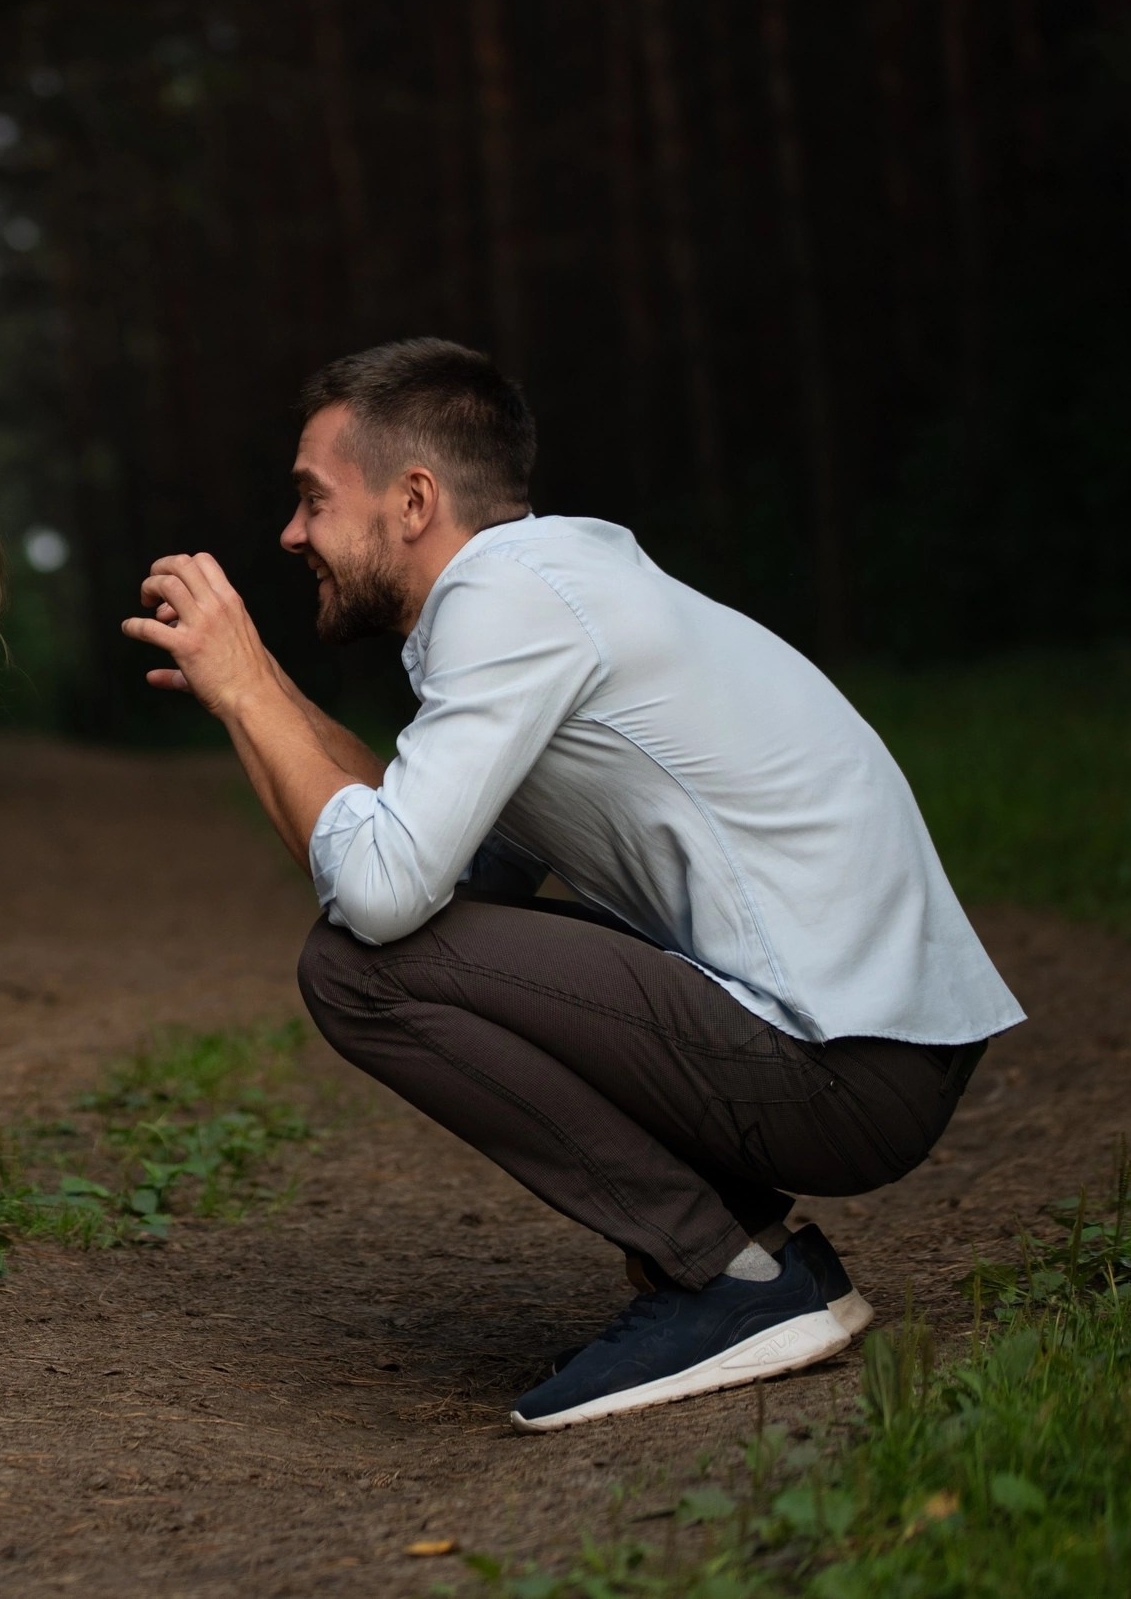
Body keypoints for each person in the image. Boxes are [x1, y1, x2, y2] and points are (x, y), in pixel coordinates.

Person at [123, 338, 1022, 1431]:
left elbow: (380, 903)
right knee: (397, 941)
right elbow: (435, 871)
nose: (292, 533)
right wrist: (249, 698)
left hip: (844, 1067)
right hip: (868, 1051)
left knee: (356, 971)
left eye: (311, 500)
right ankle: (759, 1262)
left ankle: (729, 1281)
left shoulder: (506, 602)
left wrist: (254, 684)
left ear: (412, 500)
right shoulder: (544, 586)